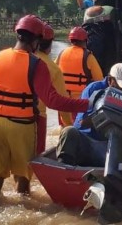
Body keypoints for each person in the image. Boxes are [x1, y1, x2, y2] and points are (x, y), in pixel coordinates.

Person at [0, 14, 89, 210]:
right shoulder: (37, 65)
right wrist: (86, 105)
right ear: (37, 41)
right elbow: (52, 100)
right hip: (22, 127)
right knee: (23, 180)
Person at [56, 63, 122, 167]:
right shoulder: (93, 89)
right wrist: (107, 117)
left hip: (109, 146)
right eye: (120, 86)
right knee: (69, 131)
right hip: (88, 142)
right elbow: (81, 123)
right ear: (110, 80)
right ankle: (64, 169)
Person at [34, 22, 74, 152]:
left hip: (1, 115)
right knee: (35, 160)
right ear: (50, 45)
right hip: (36, 117)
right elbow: (62, 102)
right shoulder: (52, 68)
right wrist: (69, 125)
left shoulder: (16, 57)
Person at [56, 26, 103, 121]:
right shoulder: (88, 56)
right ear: (85, 41)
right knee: (78, 130)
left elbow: (52, 72)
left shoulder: (61, 53)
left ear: (70, 40)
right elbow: (100, 80)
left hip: (62, 100)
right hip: (79, 102)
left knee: (64, 129)